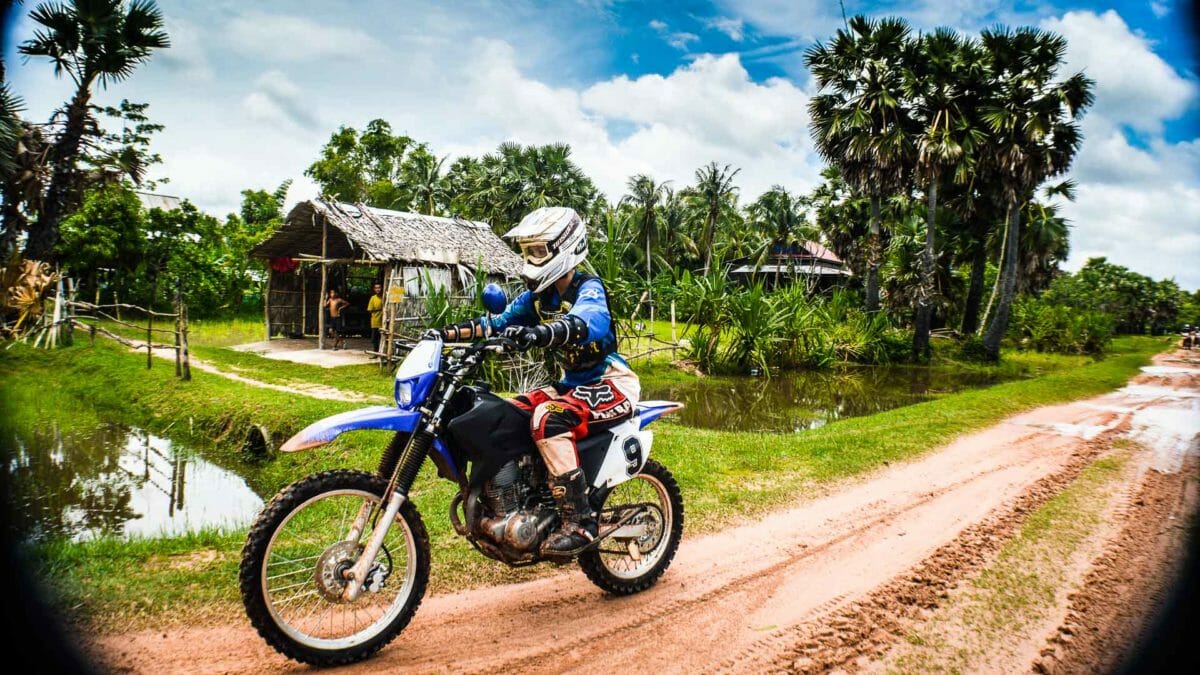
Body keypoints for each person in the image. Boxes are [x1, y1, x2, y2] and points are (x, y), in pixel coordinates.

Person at [438, 206, 638, 556]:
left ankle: (581, 521)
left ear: (565, 247)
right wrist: (444, 334)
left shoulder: (587, 287)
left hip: (611, 382)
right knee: (507, 412)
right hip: (573, 384)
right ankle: (528, 498)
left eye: (538, 251)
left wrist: (544, 332)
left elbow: (590, 320)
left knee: (548, 418)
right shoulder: (539, 298)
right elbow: (495, 324)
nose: (531, 258)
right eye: (527, 251)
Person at [368, 282, 384, 353]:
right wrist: (379, 309)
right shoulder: (373, 298)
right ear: (374, 289)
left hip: (383, 321)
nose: (378, 289)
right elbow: (370, 309)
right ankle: (375, 352)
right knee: (375, 339)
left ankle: (382, 351)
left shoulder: (384, 297)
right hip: (375, 321)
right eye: (376, 288)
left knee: (382, 338)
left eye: (379, 288)